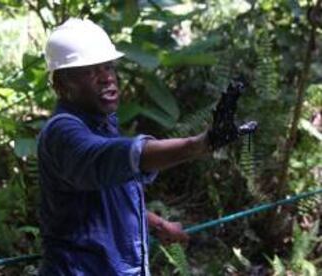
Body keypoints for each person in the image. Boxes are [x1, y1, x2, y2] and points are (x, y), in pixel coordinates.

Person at [37, 18, 237, 276]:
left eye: (108, 66)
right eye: (90, 71)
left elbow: (110, 195)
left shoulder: (101, 124)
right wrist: (197, 145)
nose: (106, 78)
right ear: (61, 85)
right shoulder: (63, 132)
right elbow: (107, 159)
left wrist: (157, 223)